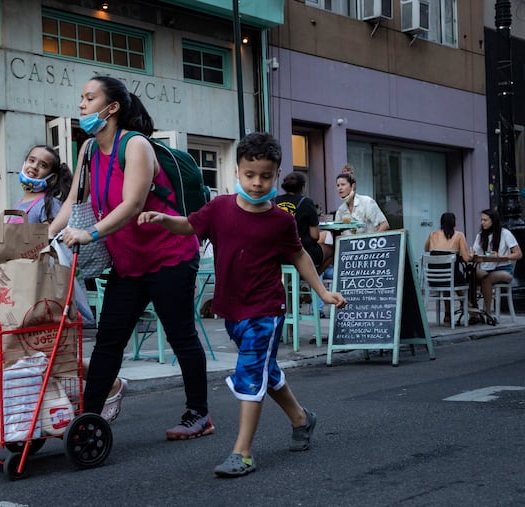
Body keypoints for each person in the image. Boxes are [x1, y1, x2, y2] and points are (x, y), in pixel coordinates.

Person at [139, 132, 347, 477]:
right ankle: (301, 418)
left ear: (276, 175)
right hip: (232, 309)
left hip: (266, 310)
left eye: (265, 176)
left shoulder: (281, 220)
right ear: (237, 171)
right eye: (250, 175)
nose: (256, 183)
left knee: (250, 374)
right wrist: (163, 219)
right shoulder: (219, 209)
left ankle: (243, 452)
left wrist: (323, 293)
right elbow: (190, 225)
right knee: (265, 370)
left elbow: (298, 255)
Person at [49, 75, 212, 440]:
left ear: (112, 107)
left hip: (169, 255)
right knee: (109, 339)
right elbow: (74, 200)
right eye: (81, 97)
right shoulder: (89, 149)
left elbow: (133, 203)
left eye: (89, 98)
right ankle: (87, 419)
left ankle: (199, 413)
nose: (81, 105)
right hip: (129, 262)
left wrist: (88, 233)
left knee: (181, 335)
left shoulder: (135, 145)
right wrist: (43, 235)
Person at [471, 209, 521, 323]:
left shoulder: (505, 233)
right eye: (481, 220)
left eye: (485, 220)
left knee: (487, 279)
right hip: (486, 268)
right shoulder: (480, 236)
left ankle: (488, 313)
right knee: (471, 275)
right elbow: (475, 253)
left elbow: (518, 254)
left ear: (493, 221)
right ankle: (473, 312)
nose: (482, 222)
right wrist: (472, 254)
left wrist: (502, 257)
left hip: (504, 270)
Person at [423, 212, 472, 324]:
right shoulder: (459, 235)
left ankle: (448, 315)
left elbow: (426, 249)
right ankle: (468, 306)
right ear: (454, 223)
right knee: (458, 279)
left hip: (434, 278)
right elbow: (466, 258)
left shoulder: (432, 234)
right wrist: (471, 254)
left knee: (449, 279)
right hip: (451, 277)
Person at [6, 145, 73, 224]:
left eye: (43, 165)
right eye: (31, 160)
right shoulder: (18, 204)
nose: (34, 166)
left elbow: (51, 235)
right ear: (24, 164)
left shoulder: (49, 205)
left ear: (52, 177)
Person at [274, 171, 325, 270]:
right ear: (303, 187)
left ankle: (300, 283)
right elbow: (315, 236)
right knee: (330, 251)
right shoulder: (306, 202)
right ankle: (307, 282)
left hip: (278, 253)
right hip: (300, 252)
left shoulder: (274, 201)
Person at [334, 171, 389, 235]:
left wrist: (373, 239)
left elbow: (384, 225)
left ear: (352, 186)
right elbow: (337, 231)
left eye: (343, 184)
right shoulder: (340, 210)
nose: (340, 188)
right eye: (338, 185)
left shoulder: (367, 202)